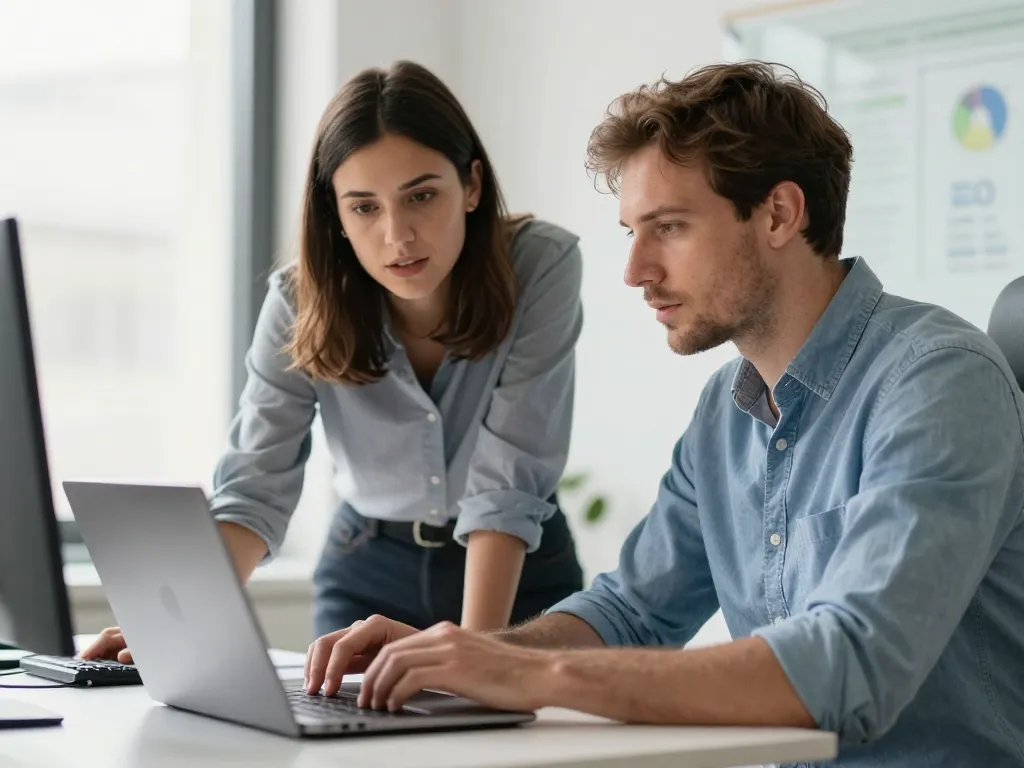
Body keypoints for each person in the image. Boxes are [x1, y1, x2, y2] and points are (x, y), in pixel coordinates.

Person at [302, 61, 1024, 767]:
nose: (635, 270)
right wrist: (466, 656)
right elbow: (632, 613)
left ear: (779, 214)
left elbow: (851, 664)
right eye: (631, 232)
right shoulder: (728, 409)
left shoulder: (937, 382)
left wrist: (533, 677)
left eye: (669, 227)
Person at [82, 60, 585, 661]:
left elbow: (509, 482)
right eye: (364, 207)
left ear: (471, 185)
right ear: (336, 215)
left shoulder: (539, 266)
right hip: (367, 571)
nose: (397, 236)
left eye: (421, 195)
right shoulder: (299, 301)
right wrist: (170, 627)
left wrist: (477, 657)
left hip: (518, 570)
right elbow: (254, 486)